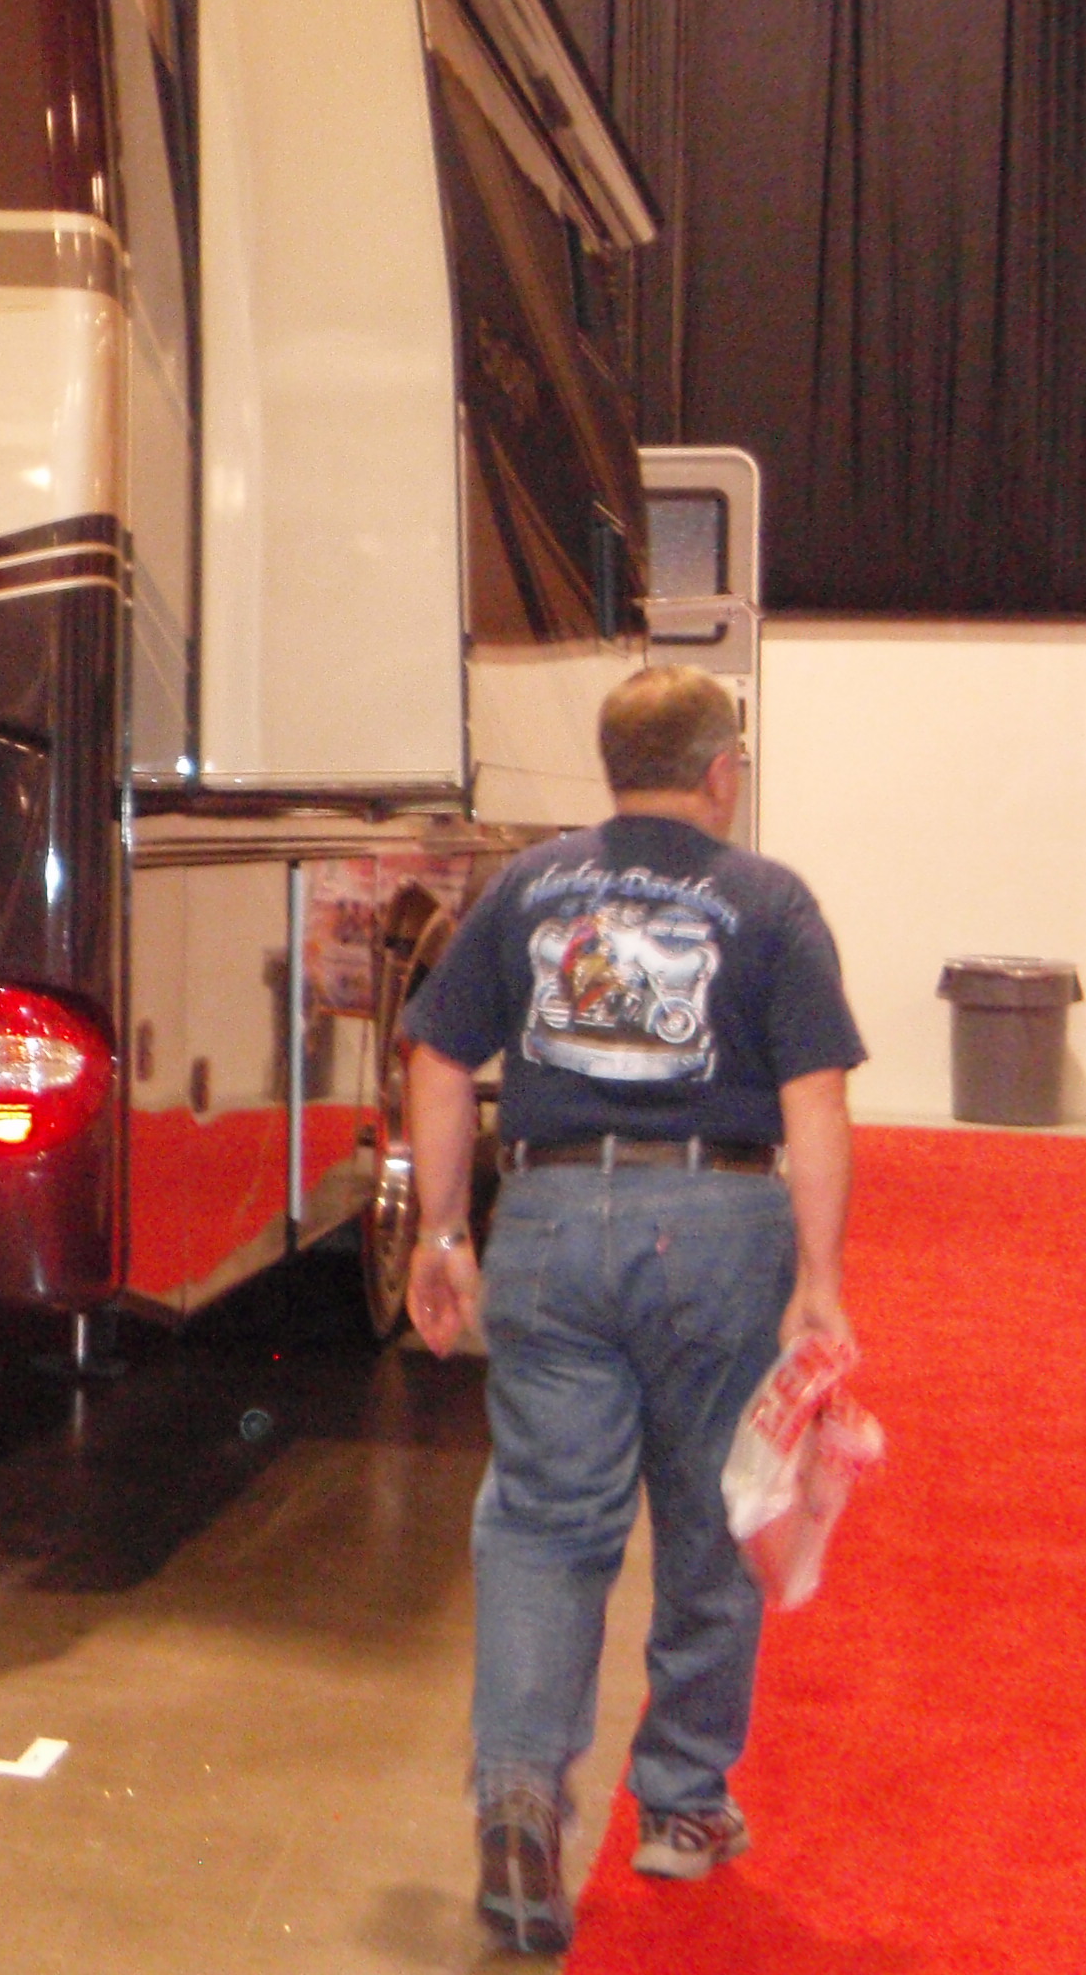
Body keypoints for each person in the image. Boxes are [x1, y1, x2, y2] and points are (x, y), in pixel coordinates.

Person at [399, 665, 863, 1956]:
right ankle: (682, 1802)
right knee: (714, 1512)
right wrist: (820, 1281)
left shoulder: (529, 885)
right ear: (721, 770)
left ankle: (517, 1795)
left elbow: (439, 1055)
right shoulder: (769, 900)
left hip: (550, 1222)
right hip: (719, 1225)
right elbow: (816, 1102)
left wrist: (443, 1230)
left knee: (546, 1523)